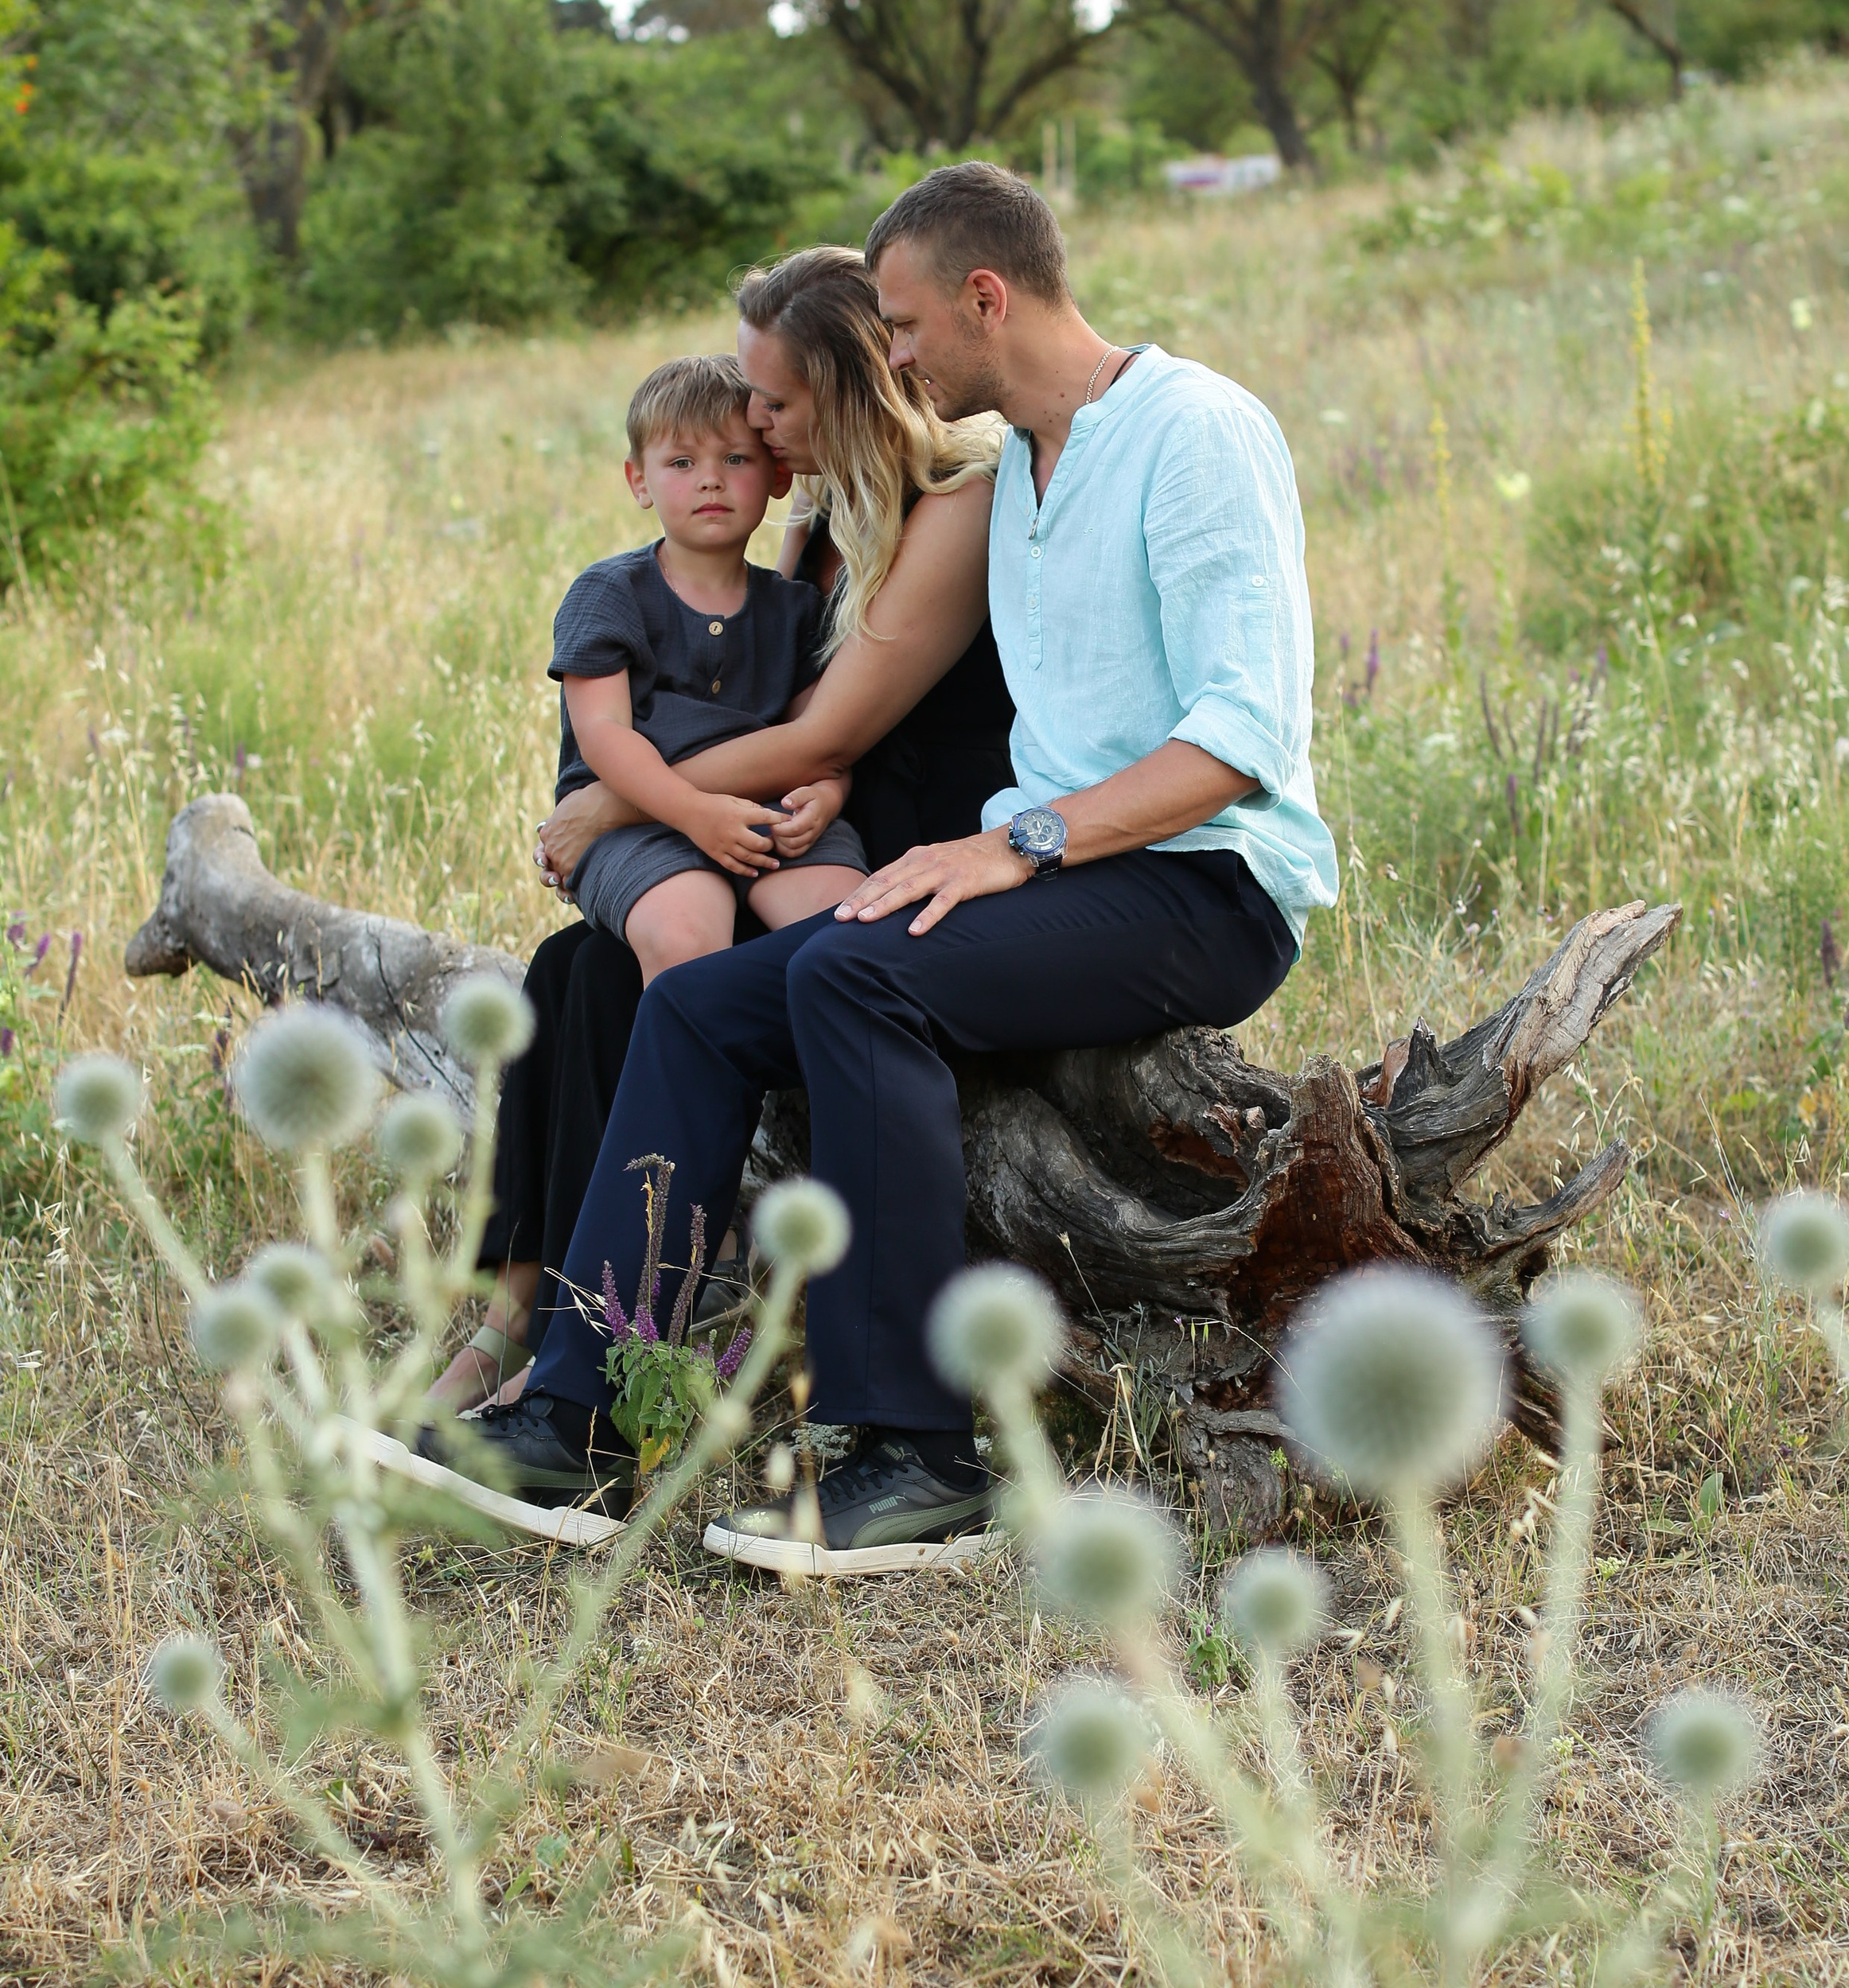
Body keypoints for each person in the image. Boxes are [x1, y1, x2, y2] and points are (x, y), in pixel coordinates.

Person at [407, 161, 1338, 1570]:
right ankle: (582, 1415)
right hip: (1061, 869)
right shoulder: (1017, 471)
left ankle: (915, 1452)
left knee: (854, 976)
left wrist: (1015, 842)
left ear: (987, 295)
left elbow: (1241, 741)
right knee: (699, 1001)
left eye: (902, 325)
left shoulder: (1194, 428)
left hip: (1203, 881)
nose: (890, 354)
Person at [429, 251, 1010, 1414]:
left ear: (847, 389)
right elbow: (778, 717)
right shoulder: (818, 518)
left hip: (907, 853)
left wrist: (621, 798)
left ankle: (625, 1315)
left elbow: (818, 737)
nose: (753, 422)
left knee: (667, 991)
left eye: (774, 405)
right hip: (775, 828)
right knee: (574, 971)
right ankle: (538, 1311)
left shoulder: (964, 500)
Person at [548, 349, 869, 982]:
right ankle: (692, 1076)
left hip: (768, 810)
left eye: (736, 459)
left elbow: (823, 737)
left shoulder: (796, 608)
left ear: (778, 474)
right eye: (682, 462)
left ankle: (819, 1072)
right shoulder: (609, 594)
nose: (710, 480)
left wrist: (828, 796)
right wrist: (697, 813)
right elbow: (605, 735)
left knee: (849, 928)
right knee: (685, 937)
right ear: (638, 480)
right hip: (638, 821)